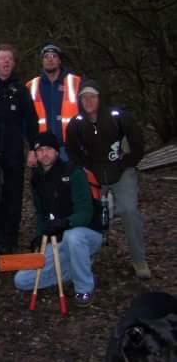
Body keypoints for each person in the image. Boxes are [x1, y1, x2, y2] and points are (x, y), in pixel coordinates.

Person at [65, 79, 150, 279]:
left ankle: (139, 259)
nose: (88, 101)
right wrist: (86, 168)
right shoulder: (76, 124)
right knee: (88, 212)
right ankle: (88, 255)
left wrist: (125, 163)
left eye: (92, 96)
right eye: (84, 97)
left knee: (129, 211)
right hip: (94, 174)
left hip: (121, 171)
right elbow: (72, 150)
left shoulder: (119, 118)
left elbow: (138, 144)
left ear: (100, 98)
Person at [14, 131, 103, 308]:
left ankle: (84, 287)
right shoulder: (37, 179)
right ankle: (78, 269)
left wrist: (64, 223)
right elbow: (41, 214)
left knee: (73, 237)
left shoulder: (73, 173)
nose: (44, 154)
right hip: (57, 242)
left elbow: (85, 213)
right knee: (21, 280)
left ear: (56, 152)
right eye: (40, 150)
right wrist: (40, 236)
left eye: (48, 149)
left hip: (87, 236)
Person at [0, 44, 38, 254]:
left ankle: (10, 239)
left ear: (14, 63)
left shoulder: (21, 90)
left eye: (9, 59)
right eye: (2, 59)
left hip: (13, 149)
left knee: (13, 194)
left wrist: (33, 147)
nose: (6, 62)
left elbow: (31, 121)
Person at [26, 43, 81, 160]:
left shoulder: (75, 82)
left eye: (54, 56)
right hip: (42, 149)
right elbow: (25, 121)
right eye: (46, 57)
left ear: (59, 60)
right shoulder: (31, 86)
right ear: (42, 61)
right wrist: (31, 148)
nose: (50, 59)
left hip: (70, 147)